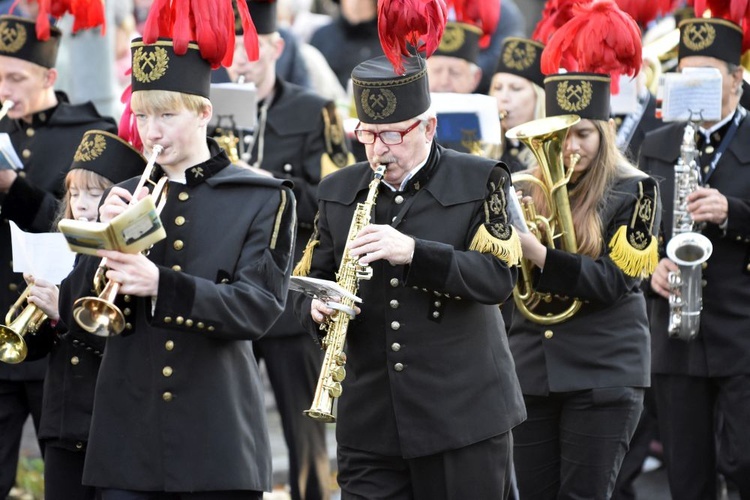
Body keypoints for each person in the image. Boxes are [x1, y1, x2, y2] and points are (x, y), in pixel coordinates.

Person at [57, 7, 298, 497]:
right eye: (143, 115)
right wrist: (103, 239)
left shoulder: (260, 197)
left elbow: (258, 309)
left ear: (204, 113)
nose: (152, 131)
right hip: (128, 439)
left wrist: (163, 286)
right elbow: (74, 310)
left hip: (217, 437)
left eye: (167, 115)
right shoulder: (122, 195)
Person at [292, 49, 526, 499]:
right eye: (368, 135)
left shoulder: (482, 179)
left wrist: (415, 253)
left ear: (429, 127)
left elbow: (499, 279)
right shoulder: (338, 190)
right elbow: (313, 278)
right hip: (370, 421)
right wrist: (315, 308)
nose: (379, 149)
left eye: (394, 136)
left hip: (462, 416)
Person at [508, 2, 660, 498]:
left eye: (583, 134)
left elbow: (614, 283)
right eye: (561, 134)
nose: (570, 147)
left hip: (603, 371)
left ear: (605, 132)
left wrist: (537, 253)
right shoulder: (526, 186)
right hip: (532, 369)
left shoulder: (635, 191)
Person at [224, 1, 354, 498]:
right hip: (228, 283)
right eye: (233, 52)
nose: (241, 62)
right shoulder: (208, 108)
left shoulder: (312, 109)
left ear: (277, 48)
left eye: (252, 51)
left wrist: (273, 185)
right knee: (227, 419)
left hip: (286, 286)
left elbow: (335, 198)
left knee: (304, 431)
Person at [0, 14, 116, 498]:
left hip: (57, 330)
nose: (3, 88)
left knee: (66, 476)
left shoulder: (90, 132)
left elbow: (78, 228)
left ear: (49, 77)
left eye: (15, 78)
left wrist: (12, 187)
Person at [639, 14, 750, 500]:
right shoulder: (658, 141)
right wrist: (650, 269)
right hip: (676, 331)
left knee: (744, 460)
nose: (695, 86)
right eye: (685, 74)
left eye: (707, 75)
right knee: (686, 475)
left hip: (741, 327)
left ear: (735, 81)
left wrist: (734, 213)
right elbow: (632, 231)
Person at [21, 130, 147, 500]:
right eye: (75, 194)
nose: (84, 204)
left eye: (96, 193)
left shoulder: (131, 259)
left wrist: (62, 310)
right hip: (62, 419)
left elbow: (114, 336)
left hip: (111, 422)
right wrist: (38, 317)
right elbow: (44, 347)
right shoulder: (62, 249)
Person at [489, 36, 546, 173]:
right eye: (497, 88)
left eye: (516, 89)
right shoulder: (481, 148)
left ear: (538, 97)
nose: (504, 97)